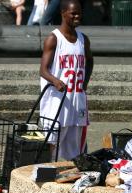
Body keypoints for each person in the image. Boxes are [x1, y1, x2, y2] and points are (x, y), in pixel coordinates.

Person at [39, 0, 93, 160]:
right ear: (63, 13)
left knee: (76, 149)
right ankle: (47, 176)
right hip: (57, 102)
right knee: (52, 143)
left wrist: (85, 83)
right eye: (73, 13)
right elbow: (43, 70)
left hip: (77, 101)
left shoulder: (84, 39)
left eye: (79, 13)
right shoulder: (53, 38)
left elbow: (90, 61)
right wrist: (55, 81)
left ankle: (73, 178)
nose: (78, 16)